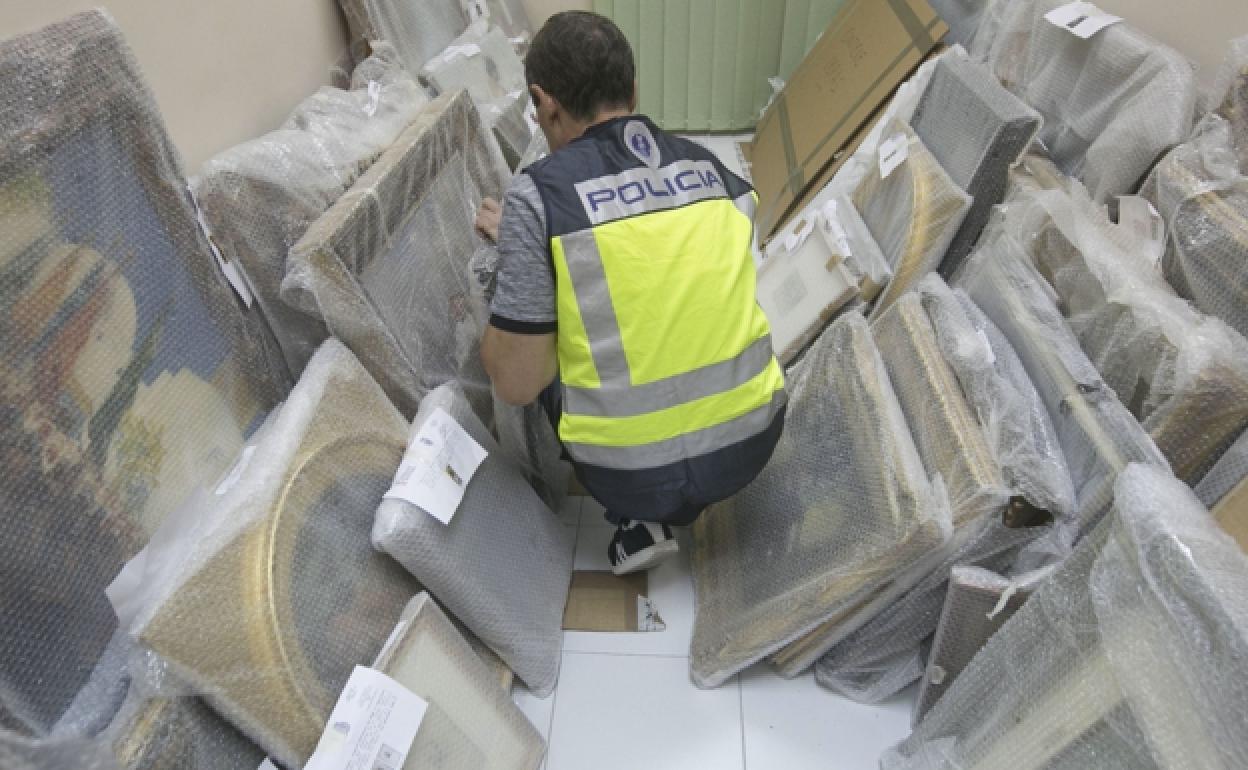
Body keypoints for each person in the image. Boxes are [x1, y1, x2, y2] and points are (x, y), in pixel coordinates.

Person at [475, 10, 785, 575]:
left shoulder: (538, 195)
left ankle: (636, 516)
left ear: (544, 102)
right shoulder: (716, 170)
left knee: (527, 343)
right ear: (634, 90)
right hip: (754, 440)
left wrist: (520, 256)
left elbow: (516, 384)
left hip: (628, 474)